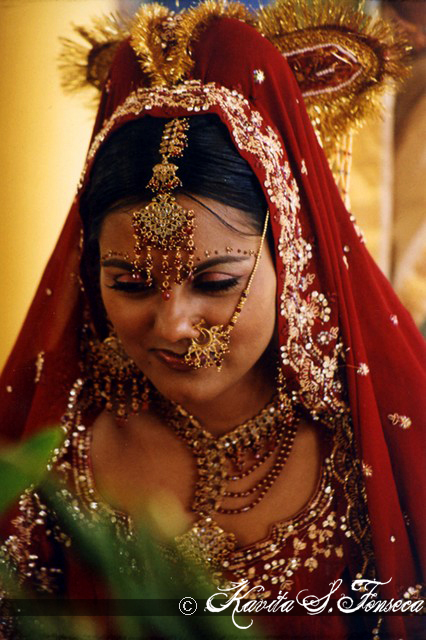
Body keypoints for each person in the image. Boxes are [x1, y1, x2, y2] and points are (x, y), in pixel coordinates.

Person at [0, 1, 425, 639]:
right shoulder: (52, 456)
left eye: (217, 283)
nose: (173, 325)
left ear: (293, 261)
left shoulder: (371, 446)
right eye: (132, 284)